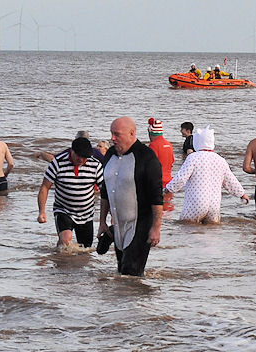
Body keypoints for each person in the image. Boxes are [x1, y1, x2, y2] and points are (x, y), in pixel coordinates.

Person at [98, 117, 164, 276]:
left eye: (117, 134)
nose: (112, 138)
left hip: (140, 222)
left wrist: (156, 227)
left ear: (132, 134)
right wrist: (102, 221)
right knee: (122, 272)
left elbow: (156, 196)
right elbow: (105, 191)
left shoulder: (146, 157)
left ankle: (142, 299)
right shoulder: (110, 155)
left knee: (131, 272)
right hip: (119, 224)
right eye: (111, 133)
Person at [164, 127, 249, 223]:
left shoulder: (193, 158)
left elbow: (181, 178)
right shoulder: (220, 160)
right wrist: (242, 194)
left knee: (187, 228)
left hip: (196, 203)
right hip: (214, 205)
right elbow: (230, 180)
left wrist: (168, 190)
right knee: (211, 234)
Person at [38, 136, 105, 249]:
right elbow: (45, 187)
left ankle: (64, 259)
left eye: (85, 158)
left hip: (86, 214)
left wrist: (112, 214)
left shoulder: (95, 165)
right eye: (79, 156)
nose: (81, 160)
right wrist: (42, 212)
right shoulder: (57, 163)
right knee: (65, 239)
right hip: (63, 209)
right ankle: (59, 260)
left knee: (85, 250)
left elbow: (105, 192)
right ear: (72, 151)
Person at [147, 118, 175, 209]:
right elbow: (172, 162)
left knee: (157, 211)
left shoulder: (153, 145)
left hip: (158, 183)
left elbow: (151, 165)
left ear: (151, 133)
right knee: (167, 207)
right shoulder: (169, 144)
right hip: (169, 182)